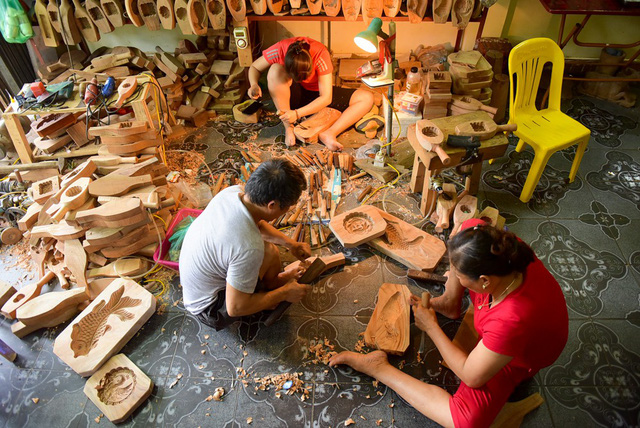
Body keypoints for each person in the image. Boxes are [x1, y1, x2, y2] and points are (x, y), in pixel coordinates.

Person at [329, 219, 569, 427]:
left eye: (459, 276)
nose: (453, 276)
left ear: (484, 281)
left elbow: (471, 376)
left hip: (518, 357)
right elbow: (470, 225)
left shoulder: (511, 320)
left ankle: (377, 367)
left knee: (465, 421)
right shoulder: (499, 249)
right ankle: (449, 303)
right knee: (463, 240)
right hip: (502, 315)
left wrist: (431, 326)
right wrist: (452, 283)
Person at [179, 158, 313, 330]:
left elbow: (257, 224)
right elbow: (235, 308)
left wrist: (292, 245)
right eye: (288, 207)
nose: (289, 210)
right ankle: (267, 297)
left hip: (202, 283)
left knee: (269, 250)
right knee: (257, 254)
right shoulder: (248, 247)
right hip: (210, 308)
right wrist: (284, 294)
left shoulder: (233, 194)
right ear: (272, 205)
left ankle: (270, 286)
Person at [248, 37, 375, 151]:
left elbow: (326, 98)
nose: (303, 79)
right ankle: (289, 127)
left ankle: (329, 133)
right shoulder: (280, 49)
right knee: (275, 70)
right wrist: (253, 84)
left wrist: (297, 113)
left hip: (316, 95)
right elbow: (255, 67)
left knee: (366, 98)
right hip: (292, 95)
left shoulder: (320, 54)